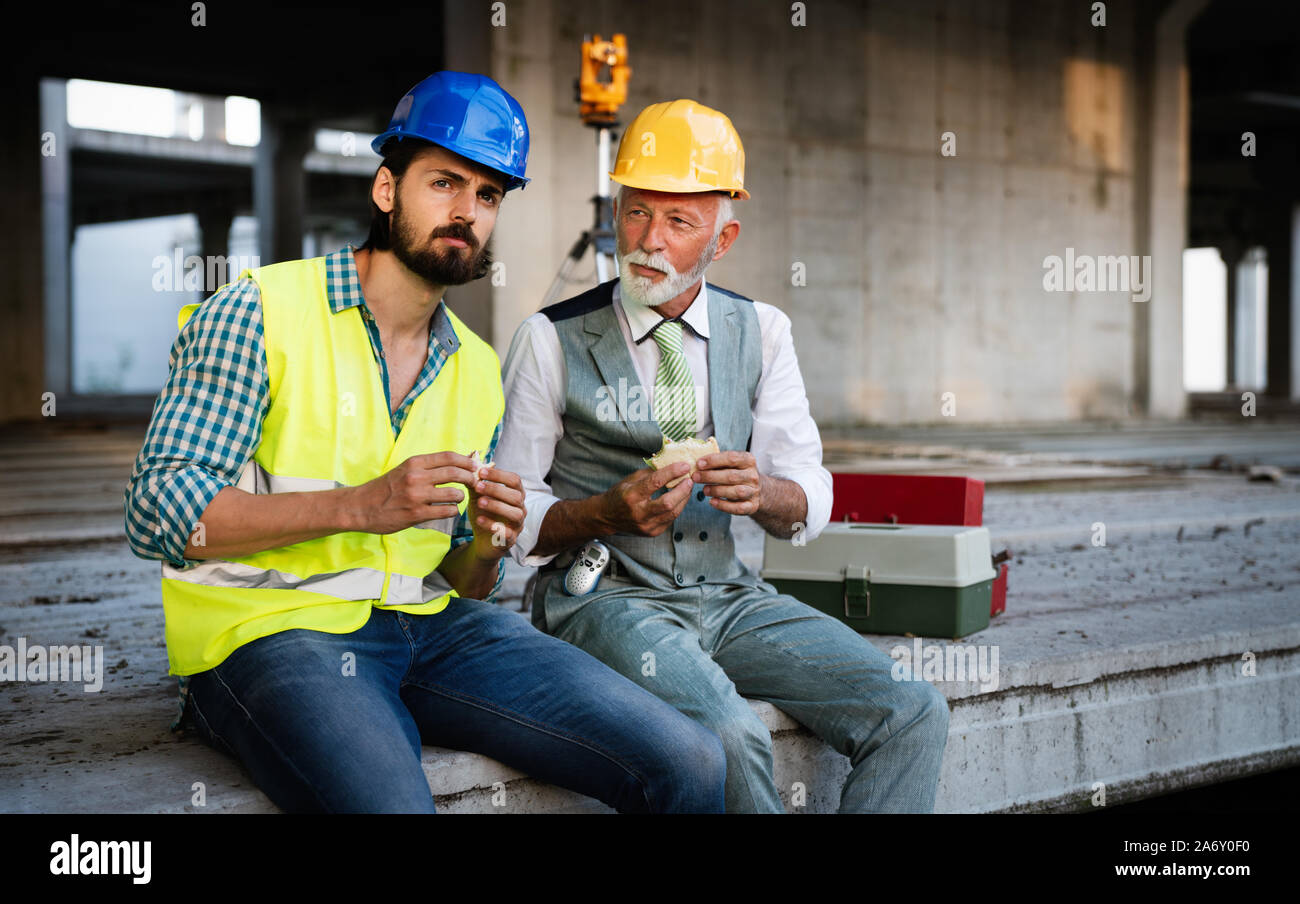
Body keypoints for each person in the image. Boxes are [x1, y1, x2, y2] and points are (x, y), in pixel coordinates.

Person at [123, 73, 726, 814]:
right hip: (273, 632)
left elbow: (461, 580)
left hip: (431, 628)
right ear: (386, 189)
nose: (465, 213)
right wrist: (360, 506)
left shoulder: (474, 366)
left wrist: (488, 542)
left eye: (487, 195)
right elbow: (159, 513)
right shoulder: (258, 311)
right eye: (444, 182)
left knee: (690, 760)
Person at [497, 99, 950, 813]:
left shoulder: (762, 331)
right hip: (605, 598)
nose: (650, 240)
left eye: (680, 222)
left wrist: (764, 494)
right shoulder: (549, 339)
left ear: (723, 238)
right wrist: (601, 513)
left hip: (727, 594)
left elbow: (807, 489)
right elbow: (510, 512)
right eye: (638, 212)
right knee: (731, 735)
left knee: (912, 708)